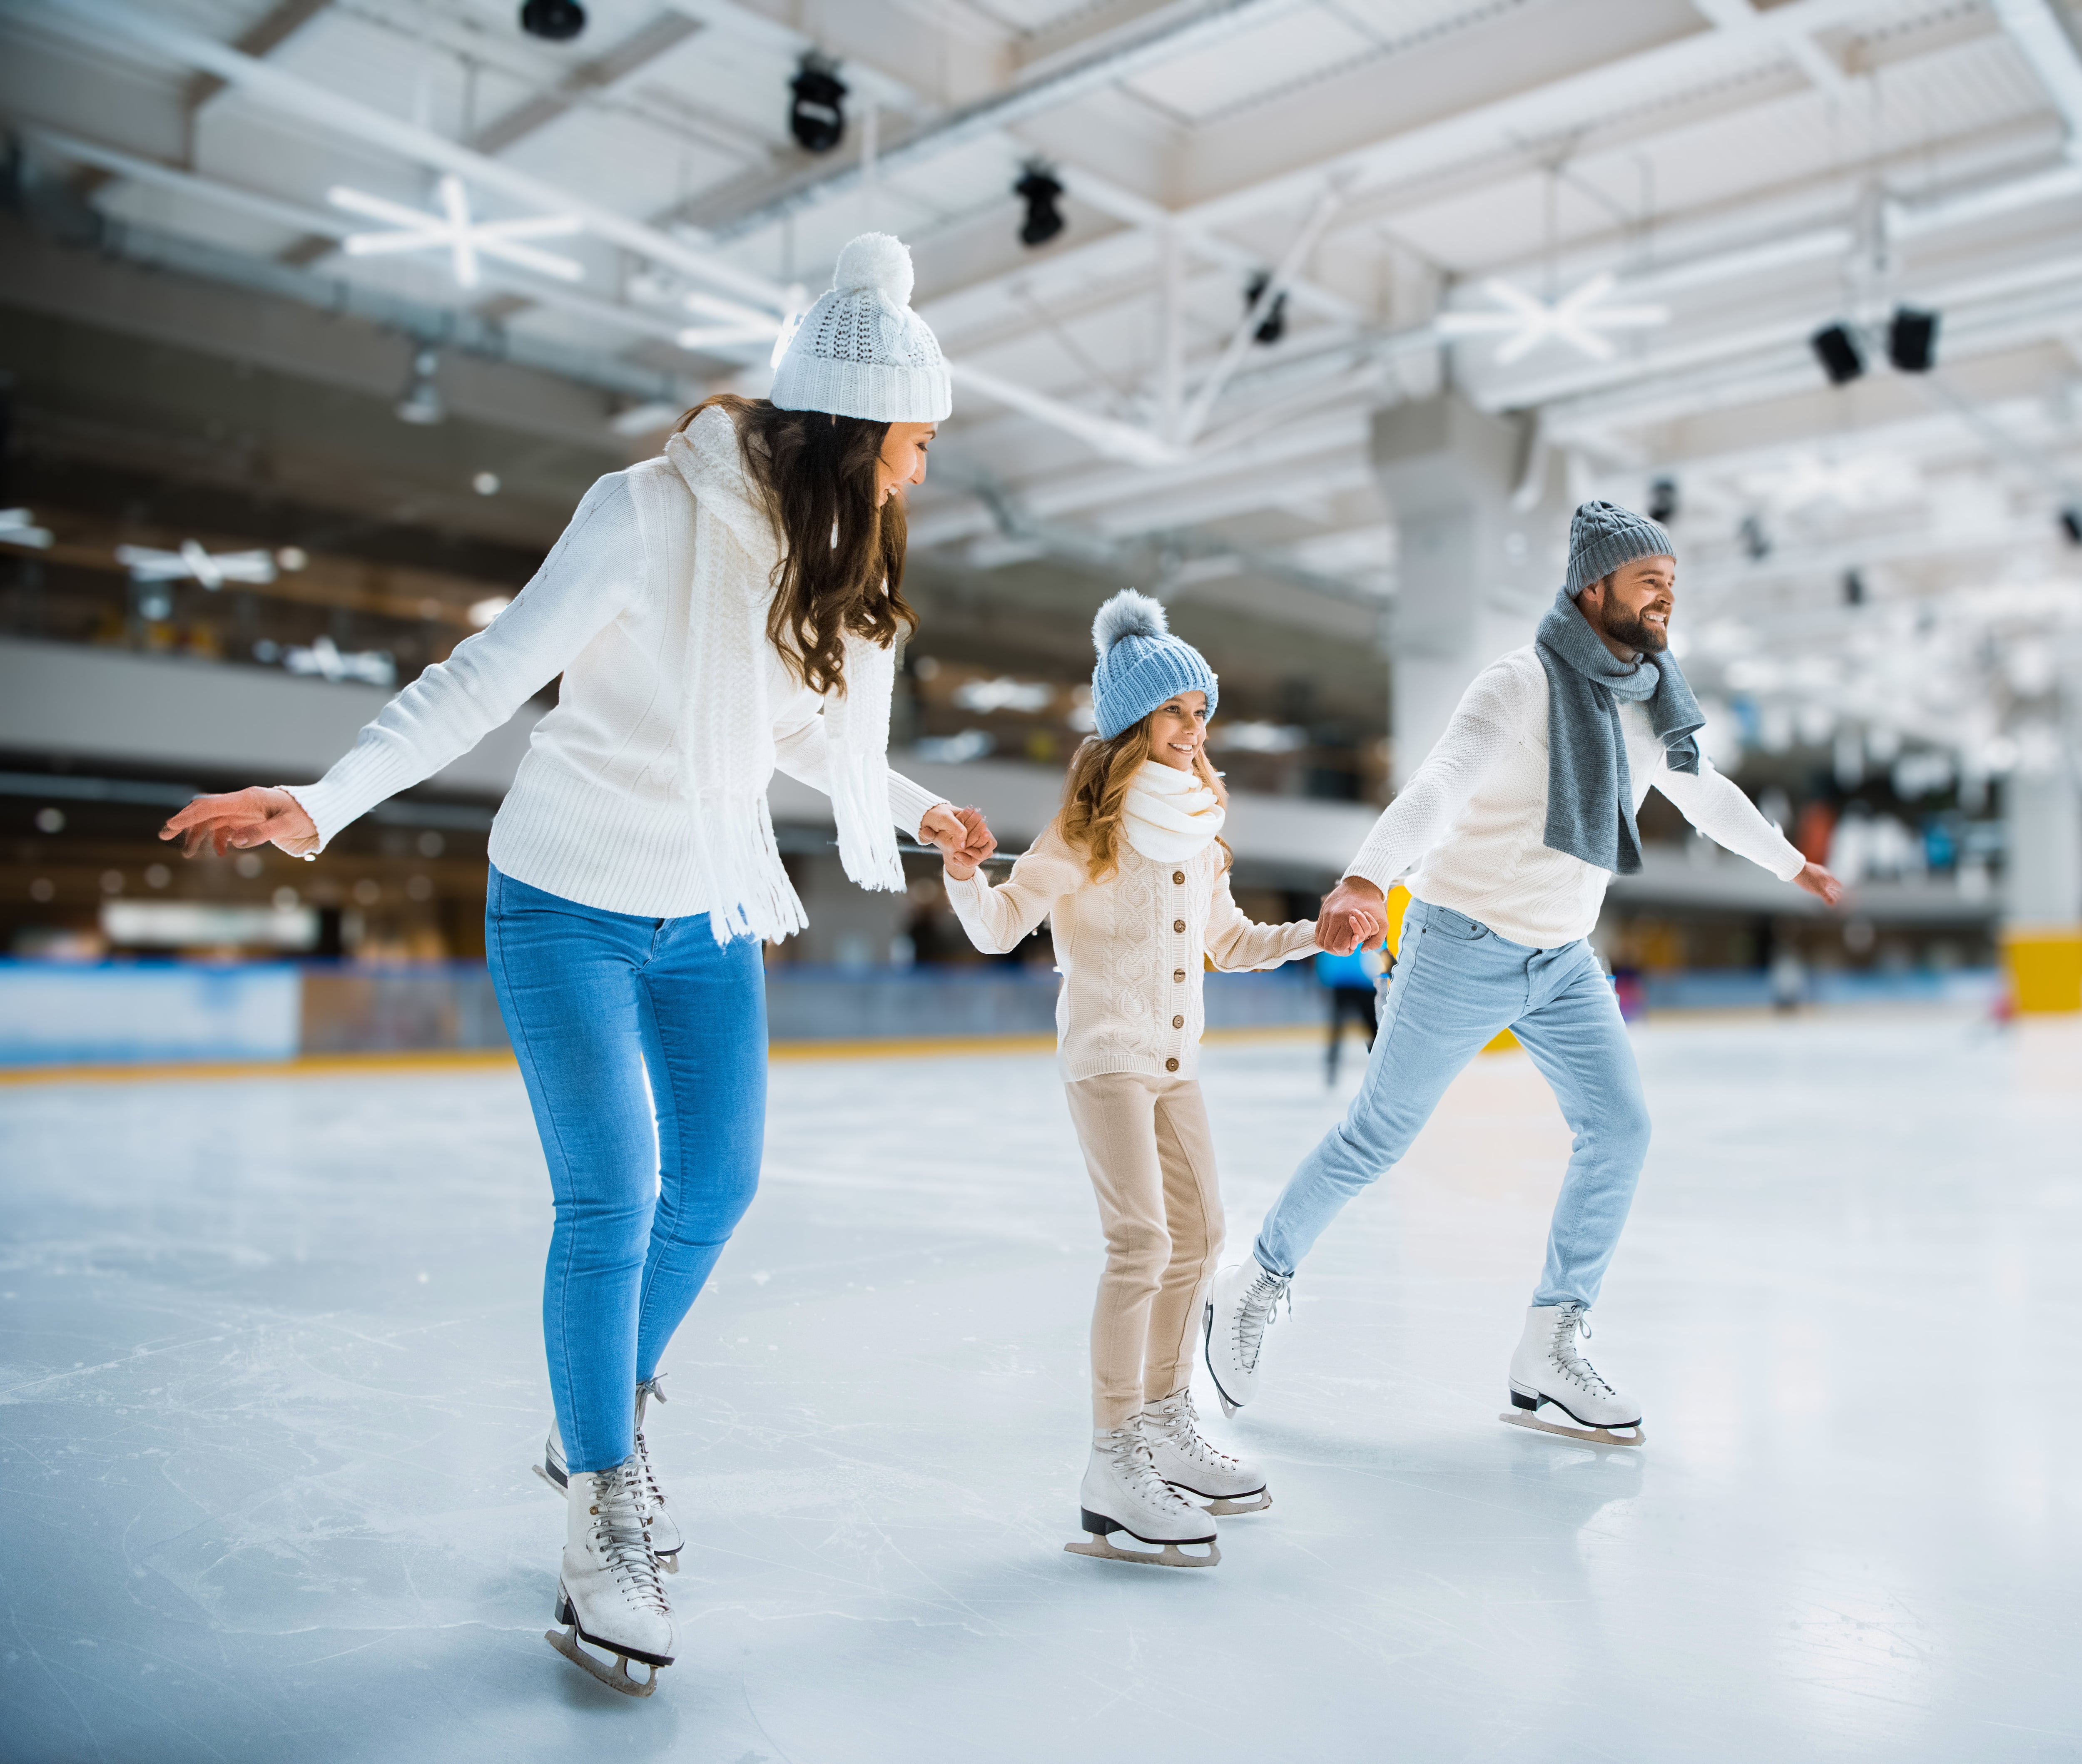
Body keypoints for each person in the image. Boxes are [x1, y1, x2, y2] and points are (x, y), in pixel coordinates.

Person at [159, 234, 990, 1695]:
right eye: (915, 443)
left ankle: (593, 1397)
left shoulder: (813, 558)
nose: (920, 474)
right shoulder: (644, 514)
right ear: (857, 428)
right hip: (566, 901)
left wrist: (921, 813)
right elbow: (487, 673)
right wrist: (324, 798)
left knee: (718, 1185)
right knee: (612, 1193)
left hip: (710, 908)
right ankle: (603, 1491)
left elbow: (790, 731)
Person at [1203, 500, 1846, 1445]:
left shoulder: (1650, 695)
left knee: (1619, 1127)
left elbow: (1705, 793)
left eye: (1673, 582)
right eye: (1648, 581)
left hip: (1564, 960)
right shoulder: (1518, 686)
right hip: (1460, 943)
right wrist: (1365, 877)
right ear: (1595, 587)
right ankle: (1255, 1278)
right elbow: (1438, 787)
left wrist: (1792, 863)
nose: (1667, 597)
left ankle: (1549, 1343)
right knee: (1378, 1135)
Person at [937, 590, 1317, 1568]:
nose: (1194, 731)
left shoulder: (1196, 824)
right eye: (1176, 712)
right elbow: (995, 927)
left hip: (1177, 1065)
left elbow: (1228, 940)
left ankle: (1162, 1424)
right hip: (1107, 1054)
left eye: (1203, 712)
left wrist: (1317, 933)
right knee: (1142, 1241)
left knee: (1199, 1235)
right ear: (1130, 721)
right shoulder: (1085, 832)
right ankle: (1111, 1458)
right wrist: (963, 869)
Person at [1315, 935, 1385, 1085]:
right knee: (1343, 1028)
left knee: (1370, 1029)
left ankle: (1380, 1067)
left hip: (1356, 982)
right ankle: (1380, 1068)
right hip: (1352, 982)